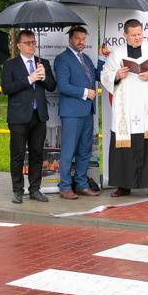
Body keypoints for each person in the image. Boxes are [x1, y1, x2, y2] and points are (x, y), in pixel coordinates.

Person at [100, 19, 148, 197]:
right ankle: (123, 186)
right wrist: (116, 74)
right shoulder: (116, 54)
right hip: (126, 107)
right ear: (125, 35)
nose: (137, 37)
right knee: (124, 148)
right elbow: (105, 74)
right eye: (133, 35)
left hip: (147, 106)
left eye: (139, 34)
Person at [1, 30, 57, 204]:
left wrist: (43, 76)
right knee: (18, 155)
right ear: (19, 45)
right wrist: (30, 79)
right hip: (18, 117)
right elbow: (6, 88)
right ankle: (18, 190)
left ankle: (35, 189)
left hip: (38, 116)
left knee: (37, 154)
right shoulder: (11, 65)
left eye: (33, 42)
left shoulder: (42, 63)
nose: (32, 45)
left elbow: (52, 86)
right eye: (28, 43)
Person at [53, 26, 105, 200]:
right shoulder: (62, 59)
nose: (81, 42)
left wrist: (102, 57)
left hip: (87, 112)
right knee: (68, 151)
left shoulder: (87, 59)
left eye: (83, 39)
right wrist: (85, 92)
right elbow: (63, 86)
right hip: (71, 113)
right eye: (78, 38)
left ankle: (81, 185)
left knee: (84, 150)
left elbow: (98, 75)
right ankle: (65, 187)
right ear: (70, 39)